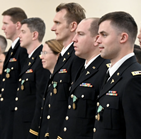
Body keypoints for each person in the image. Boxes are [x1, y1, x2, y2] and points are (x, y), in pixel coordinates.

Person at [93, 11, 141, 139]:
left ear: (123, 38)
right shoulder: (111, 74)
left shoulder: (136, 79)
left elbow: (139, 135)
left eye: (103, 35)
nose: (97, 40)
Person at [30, 3, 86, 139]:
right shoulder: (64, 56)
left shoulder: (77, 57)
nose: (52, 28)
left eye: (57, 23)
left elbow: (71, 106)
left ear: (73, 26)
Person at [57, 18, 109, 139]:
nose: (74, 39)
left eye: (80, 34)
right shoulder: (83, 68)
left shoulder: (105, 71)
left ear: (96, 39)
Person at [0, 7, 28, 139]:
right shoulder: (12, 50)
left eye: (6, 23)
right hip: (4, 115)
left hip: (14, 117)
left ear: (18, 25)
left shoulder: (23, 50)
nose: (2, 27)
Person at [12, 17, 50, 139]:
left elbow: (40, 99)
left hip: (30, 128)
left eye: (23, 32)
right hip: (21, 125)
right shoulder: (29, 60)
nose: (19, 36)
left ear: (34, 35)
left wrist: (34, 131)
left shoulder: (41, 60)